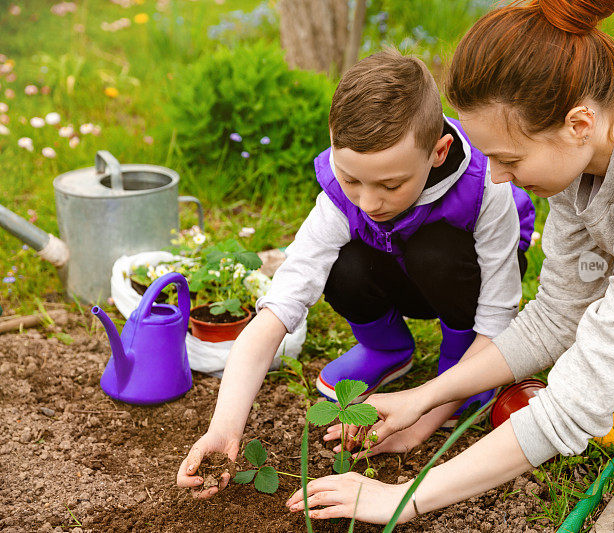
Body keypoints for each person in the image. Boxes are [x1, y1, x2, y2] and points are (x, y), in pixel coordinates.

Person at [286, 0, 614, 523]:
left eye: (510, 160)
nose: (501, 180)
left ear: (579, 123)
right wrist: (426, 395)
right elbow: (558, 316)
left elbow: (597, 378)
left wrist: (407, 495)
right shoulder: (585, 156)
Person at [176, 49, 536, 498]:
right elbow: (275, 314)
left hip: (462, 277)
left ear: (438, 152)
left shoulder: (486, 186)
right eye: (351, 180)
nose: (368, 202)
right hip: (398, 267)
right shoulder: (340, 201)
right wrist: (224, 428)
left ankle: (459, 370)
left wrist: (426, 418)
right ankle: (386, 348)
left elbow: (498, 313)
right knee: (339, 263)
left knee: (434, 251)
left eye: (390, 185)